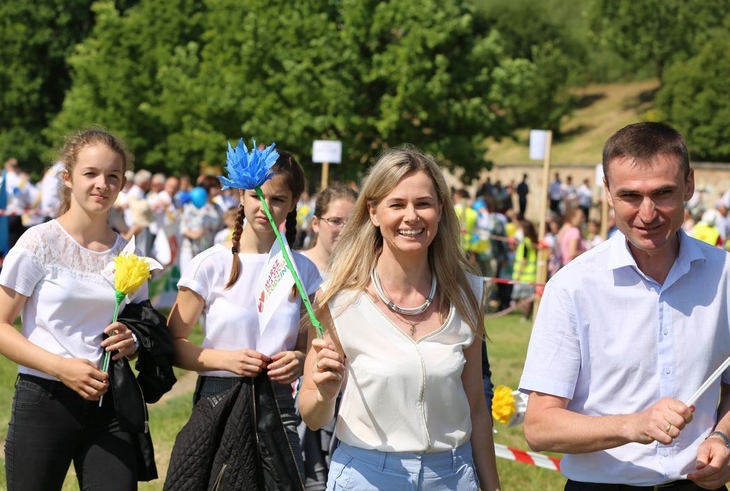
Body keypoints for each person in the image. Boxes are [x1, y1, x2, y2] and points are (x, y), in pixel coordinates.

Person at [519, 122, 730, 490]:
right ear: (607, 192)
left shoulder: (725, 275)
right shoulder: (572, 287)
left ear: (689, 186)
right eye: (630, 195)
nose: (647, 213)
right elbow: (539, 427)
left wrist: (722, 438)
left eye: (663, 193)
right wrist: (632, 425)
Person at [298, 146, 500, 490]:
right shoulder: (338, 297)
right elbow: (312, 415)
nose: (411, 216)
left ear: (440, 210)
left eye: (423, 203)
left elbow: (477, 409)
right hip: (366, 476)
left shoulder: (468, 292)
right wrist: (325, 395)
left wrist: (493, 487)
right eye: (397, 204)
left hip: (453, 475)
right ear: (373, 212)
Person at [0, 129, 157, 490]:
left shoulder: (129, 254)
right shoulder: (38, 242)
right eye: (90, 173)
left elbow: (144, 324)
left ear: (123, 183)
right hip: (44, 400)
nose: (101, 184)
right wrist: (62, 368)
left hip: (109, 402)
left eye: (112, 176)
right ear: (68, 178)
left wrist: (133, 339)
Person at [165, 150, 321, 489]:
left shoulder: (304, 271)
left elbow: (314, 347)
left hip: (278, 405)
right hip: (218, 399)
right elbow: (172, 345)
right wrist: (227, 360)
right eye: (257, 196)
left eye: (278, 199)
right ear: (241, 195)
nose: (265, 207)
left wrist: (300, 359)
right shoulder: (211, 264)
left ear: (294, 202)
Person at [298, 184, 357, 490]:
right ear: (316, 222)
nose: (344, 229)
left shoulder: (364, 274)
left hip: (351, 399)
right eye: (336, 221)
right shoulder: (295, 268)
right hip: (304, 396)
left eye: (352, 221)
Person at [510, 219, 538, 319]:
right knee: (526, 298)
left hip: (525, 275)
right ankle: (526, 316)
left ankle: (526, 316)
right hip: (529, 275)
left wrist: (518, 274)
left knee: (525, 298)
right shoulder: (530, 241)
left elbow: (523, 260)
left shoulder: (526, 242)